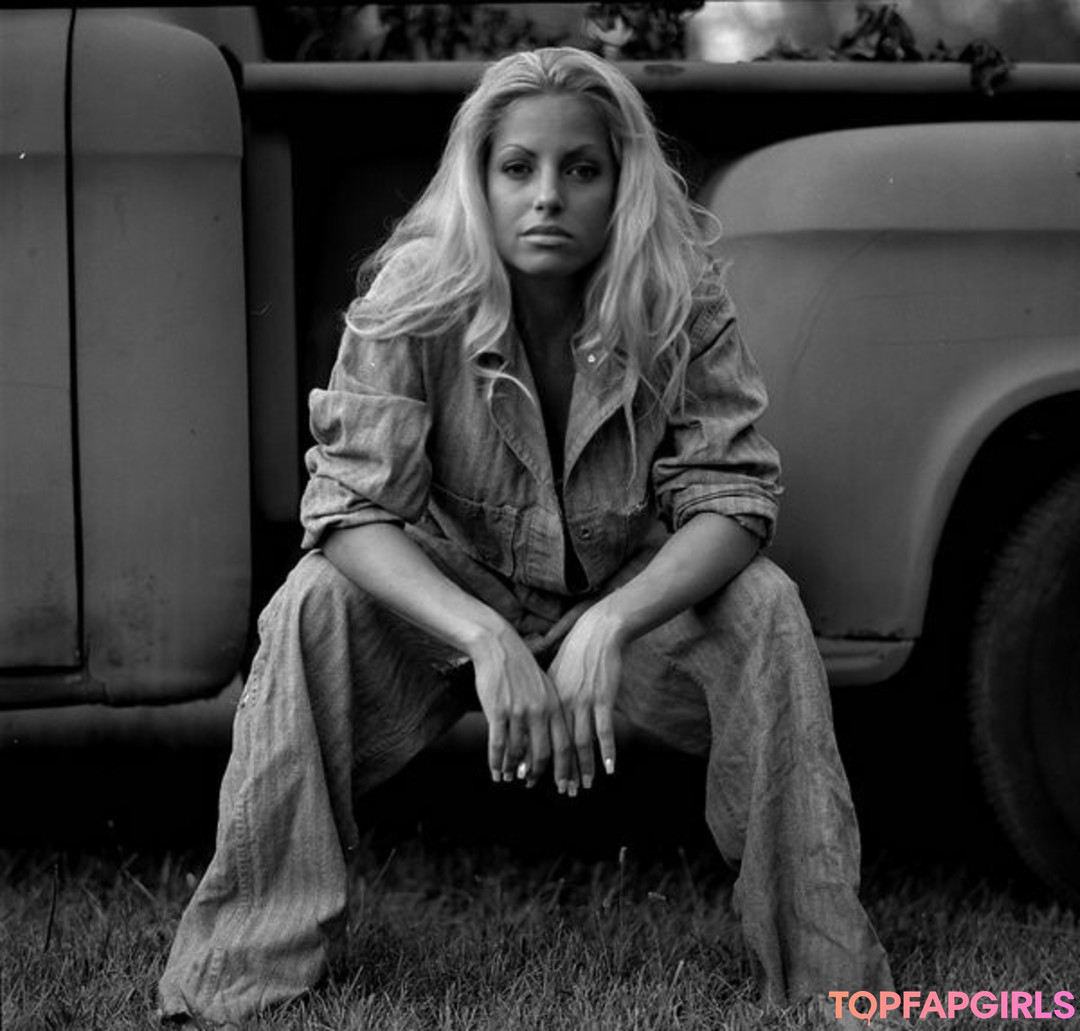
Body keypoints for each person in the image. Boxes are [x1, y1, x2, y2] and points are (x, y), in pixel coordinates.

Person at [158, 46, 892, 1026]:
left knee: (768, 609)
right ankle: (234, 983)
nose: (548, 196)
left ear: (621, 182)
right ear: (481, 179)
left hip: (622, 589)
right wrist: (484, 635)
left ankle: (833, 985)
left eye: (580, 168)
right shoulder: (413, 294)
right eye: (519, 168)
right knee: (309, 606)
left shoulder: (677, 295)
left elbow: (735, 497)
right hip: (452, 594)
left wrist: (611, 623)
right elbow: (347, 511)